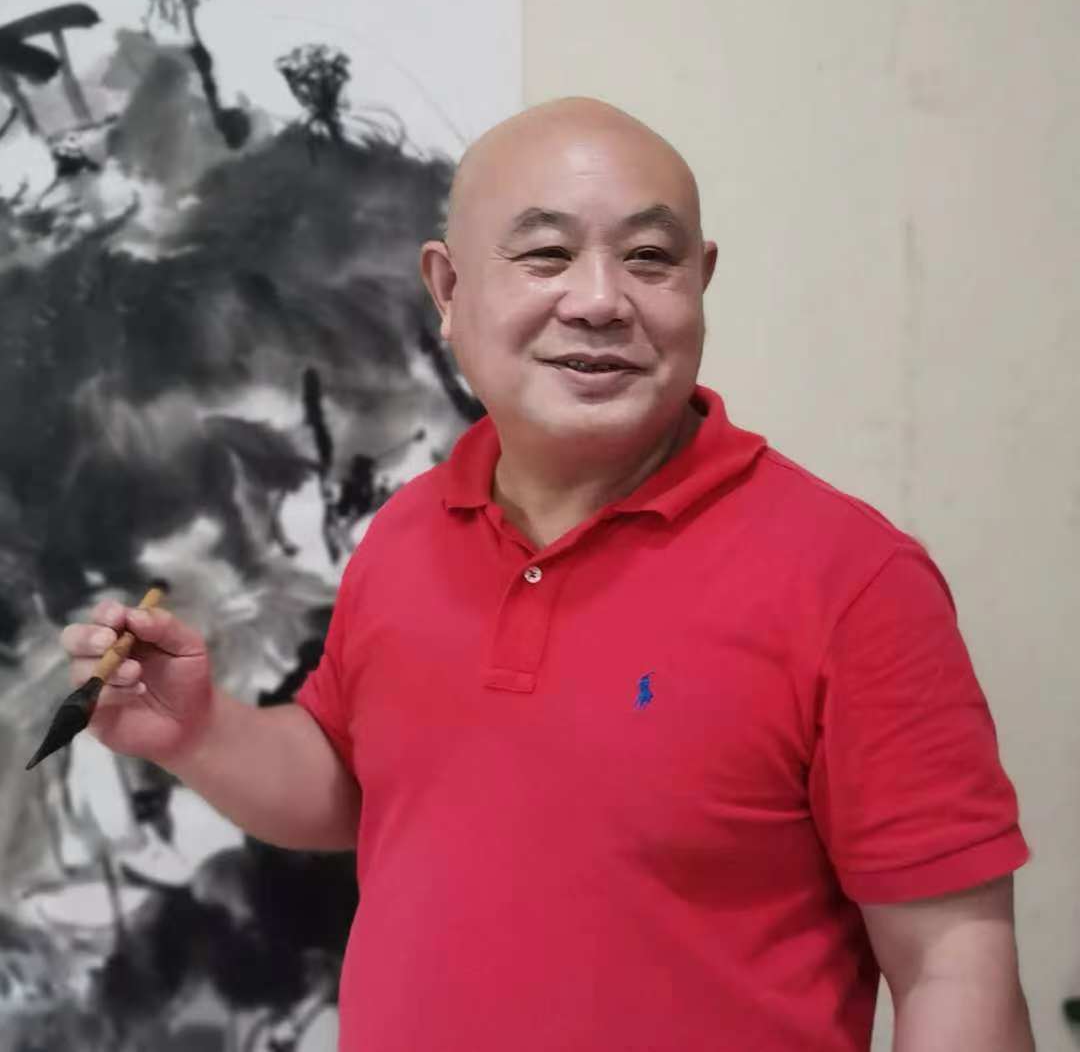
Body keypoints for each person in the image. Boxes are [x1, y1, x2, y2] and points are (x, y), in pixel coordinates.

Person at [62, 97, 1034, 1051]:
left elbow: (954, 969)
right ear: (448, 289)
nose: (601, 299)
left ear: (701, 282)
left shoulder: (853, 580)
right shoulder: (406, 533)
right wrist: (200, 731)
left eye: (649, 258)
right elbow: (357, 784)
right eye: (546, 254)